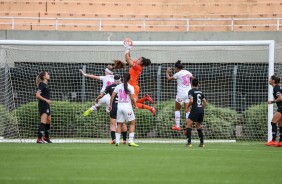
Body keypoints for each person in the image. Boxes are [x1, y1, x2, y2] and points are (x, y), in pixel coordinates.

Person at [124, 42, 156, 115]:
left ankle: (151, 108)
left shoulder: (137, 67)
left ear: (141, 63)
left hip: (133, 87)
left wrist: (126, 49)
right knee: (133, 102)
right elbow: (129, 57)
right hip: (132, 86)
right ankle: (145, 98)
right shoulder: (137, 64)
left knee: (133, 104)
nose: (137, 59)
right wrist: (128, 48)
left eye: (139, 59)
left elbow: (127, 60)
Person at [96, 74, 128, 144]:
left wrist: (97, 99)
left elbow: (102, 95)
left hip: (114, 107)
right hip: (123, 107)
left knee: (113, 124)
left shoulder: (110, 87)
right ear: (120, 79)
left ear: (114, 79)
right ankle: (125, 140)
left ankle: (113, 139)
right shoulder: (125, 86)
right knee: (123, 123)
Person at [109, 73, 139, 147]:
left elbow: (112, 95)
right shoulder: (130, 87)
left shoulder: (118, 86)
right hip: (127, 108)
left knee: (119, 124)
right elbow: (132, 98)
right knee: (132, 123)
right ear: (129, 78)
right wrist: (135, 105)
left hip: (119, 108)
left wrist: (110, 105)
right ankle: (131, 141)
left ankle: (117, 141)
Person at [166, 60, 194, 131]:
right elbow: (193, 77)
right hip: (188, 94)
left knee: (177, 109)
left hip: (181, 94)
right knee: (187, 110)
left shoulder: (177, 74)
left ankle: (178, 126)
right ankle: (188, 128)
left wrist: (167, 72)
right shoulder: (187, 72)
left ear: (176, 68)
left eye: (175, 68)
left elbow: (169, 79)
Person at [185, 78, 207, 147]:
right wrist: (201, 108)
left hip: (195, 110)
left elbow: (191, 101)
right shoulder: (200, 92)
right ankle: (202, 143)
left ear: (191, 84)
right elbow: (205, 102)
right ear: (198, 84)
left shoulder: (191, 91)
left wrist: (187, 107)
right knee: (198, 126)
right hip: (201, 111)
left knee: (188, 125)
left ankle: (189, 143)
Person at [35, 71, 52, 143]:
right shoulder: (42, 84)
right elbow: (37, 95)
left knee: (49, 120)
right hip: (43, 104)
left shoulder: (46, 84)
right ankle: (39, 139)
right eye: (47, 74)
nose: (49, 75)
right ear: (44, 77)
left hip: (46, 104)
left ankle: (46, 137)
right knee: (43, 121)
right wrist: (46, 100)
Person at [266, 75, 282, 147]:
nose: (269, 80)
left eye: (270, 79)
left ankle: (273, 141)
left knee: (273, 122)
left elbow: (280, 98)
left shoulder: (276, 88)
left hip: (281, 107)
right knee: (280, 124)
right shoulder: (278, 87)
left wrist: (272, 102)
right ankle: (281, 142)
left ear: (273, 81)